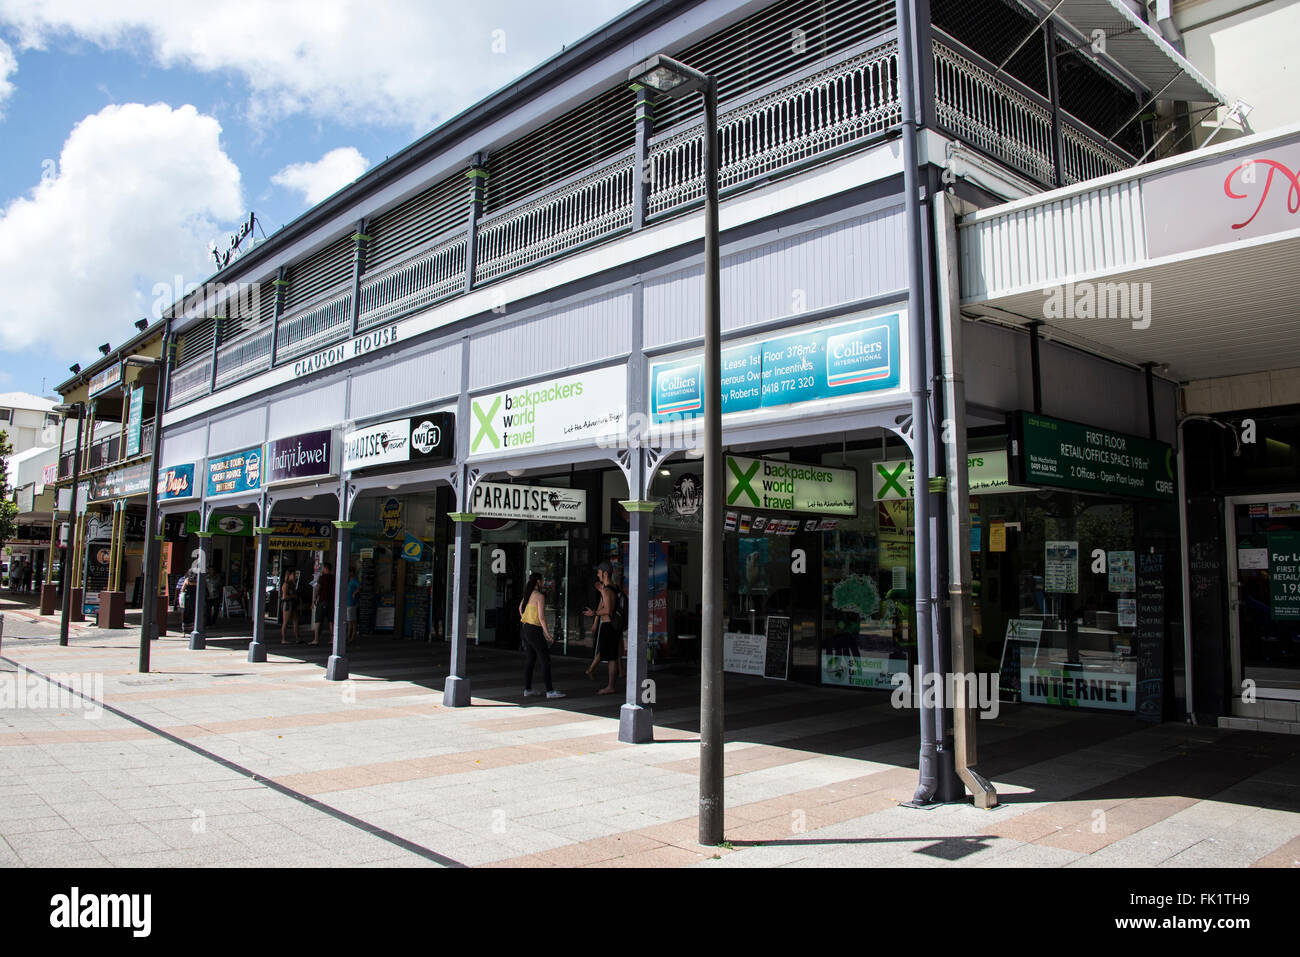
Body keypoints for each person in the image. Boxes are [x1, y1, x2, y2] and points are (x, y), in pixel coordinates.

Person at [519, 572, 564, 699]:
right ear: (538, 581)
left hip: (525, 629)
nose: (543, 582)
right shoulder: (539, 596)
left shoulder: (527, 594)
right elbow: (542, 617)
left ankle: (527, 689)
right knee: (545, 660)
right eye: (542, 580)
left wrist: (525, 618)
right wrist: (547, 633)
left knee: (530, 659)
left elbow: (520, 608)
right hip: (535, 630)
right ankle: (550, 691)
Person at [583, 562, 620, 695]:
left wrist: (594, 614)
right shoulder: (614, 587)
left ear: (605, 573)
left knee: (611, 658)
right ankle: (611, 683)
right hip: (612, 625)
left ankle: (611, 685)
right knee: (611, 655)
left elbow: (607, 609)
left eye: (599, 572)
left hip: (608, 625)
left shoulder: (606, 589)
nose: (597, 574)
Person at [310, 562, 335, 646]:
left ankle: (316, 639)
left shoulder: (322, 578)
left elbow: (318, 588)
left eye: (323, 568)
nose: (322, 569)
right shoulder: (334, 578)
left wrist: (314, 599)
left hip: (323, 600)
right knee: (331, 620)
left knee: (318, 620)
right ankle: (332, 639)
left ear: (326, 568)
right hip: (331, 601)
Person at [280, 569, 301, 643]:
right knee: (285, 621)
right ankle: (283, 639)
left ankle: (297, 638)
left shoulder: (293, 584)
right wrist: (293, 596)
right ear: (290, 575)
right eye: (294, 574)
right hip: (287, 603)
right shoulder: (286, 584)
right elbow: (284, 596)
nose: (295, 576)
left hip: (293, 603)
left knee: (296, 621)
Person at [346, 567, 360, 645]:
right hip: (348, 602)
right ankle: (349, 635)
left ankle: (352, 635)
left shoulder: (354, 580)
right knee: (350, 620)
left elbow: (359, 586)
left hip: (352, 603)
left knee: (352, 621)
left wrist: (355, 593)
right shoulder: (350, 581)